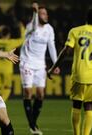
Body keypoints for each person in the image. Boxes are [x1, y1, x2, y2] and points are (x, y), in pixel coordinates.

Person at [48, 8, 92, 135]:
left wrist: (53, 68)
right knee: (89, 107)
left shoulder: (76, 31)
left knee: (76, 105)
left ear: (86, 18)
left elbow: (66, 51)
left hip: (79, 74)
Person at [19, 3, 60, 135]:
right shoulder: (31, 26)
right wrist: (35, 12)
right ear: (37, 15)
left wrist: (55, 64)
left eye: (46, 13)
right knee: (28, 93)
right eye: (43, 13)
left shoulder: (49, 29)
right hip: (27, 62)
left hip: (40, 65)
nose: (45, 16)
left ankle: (33, 123)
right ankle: (32, 125)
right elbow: (34, 25)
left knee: (41, 94)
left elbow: (51, 47)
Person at [0, 24, 24, 101]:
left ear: (1, 34)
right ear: (8, 35)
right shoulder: (11, 43)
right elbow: (22, 39)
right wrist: (22, 28)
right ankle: (1, 102)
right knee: (7, 87)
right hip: (7, 70)